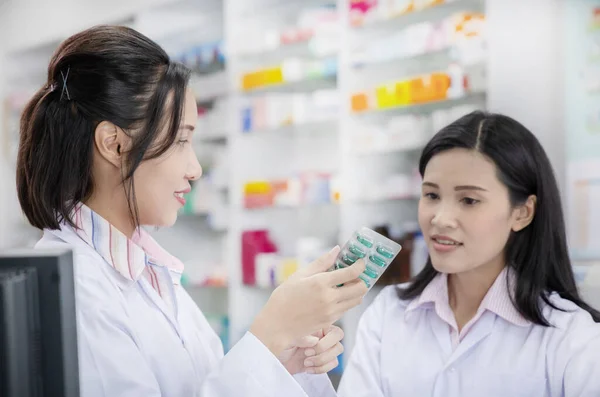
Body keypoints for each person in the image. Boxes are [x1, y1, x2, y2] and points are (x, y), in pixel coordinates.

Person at [16, 25, 368, 397]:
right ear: (113, 143)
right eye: (181, 139)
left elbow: (199, 386)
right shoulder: (78, 289)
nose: (195, 168)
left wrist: (280, 362)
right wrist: (269, 334)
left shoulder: (148, 270)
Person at [337, 111, 600, 397]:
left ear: (522, 213)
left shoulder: (571, 335)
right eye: (432, 195)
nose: (440, 218)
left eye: (469, 200)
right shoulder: (387, 314)